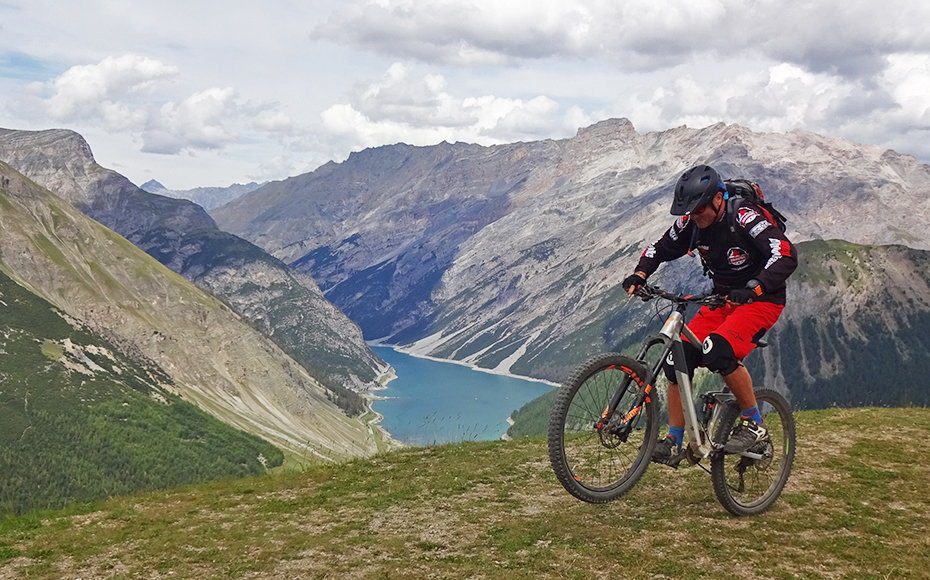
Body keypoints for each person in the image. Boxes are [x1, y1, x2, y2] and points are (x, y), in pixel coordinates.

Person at [621, 164, 797, 464]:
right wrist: (640, 274)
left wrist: (755, 287)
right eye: (689, 211)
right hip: (723, 300)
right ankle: (674, 441)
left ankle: (755, 424)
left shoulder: (743, 216)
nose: (695, 215)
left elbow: (785, 253)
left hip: (762, 300)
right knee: (677, 358)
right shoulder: (691, 222)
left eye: (700, 207)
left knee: (718, 351)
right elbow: (659, 249)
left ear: (718, 199)